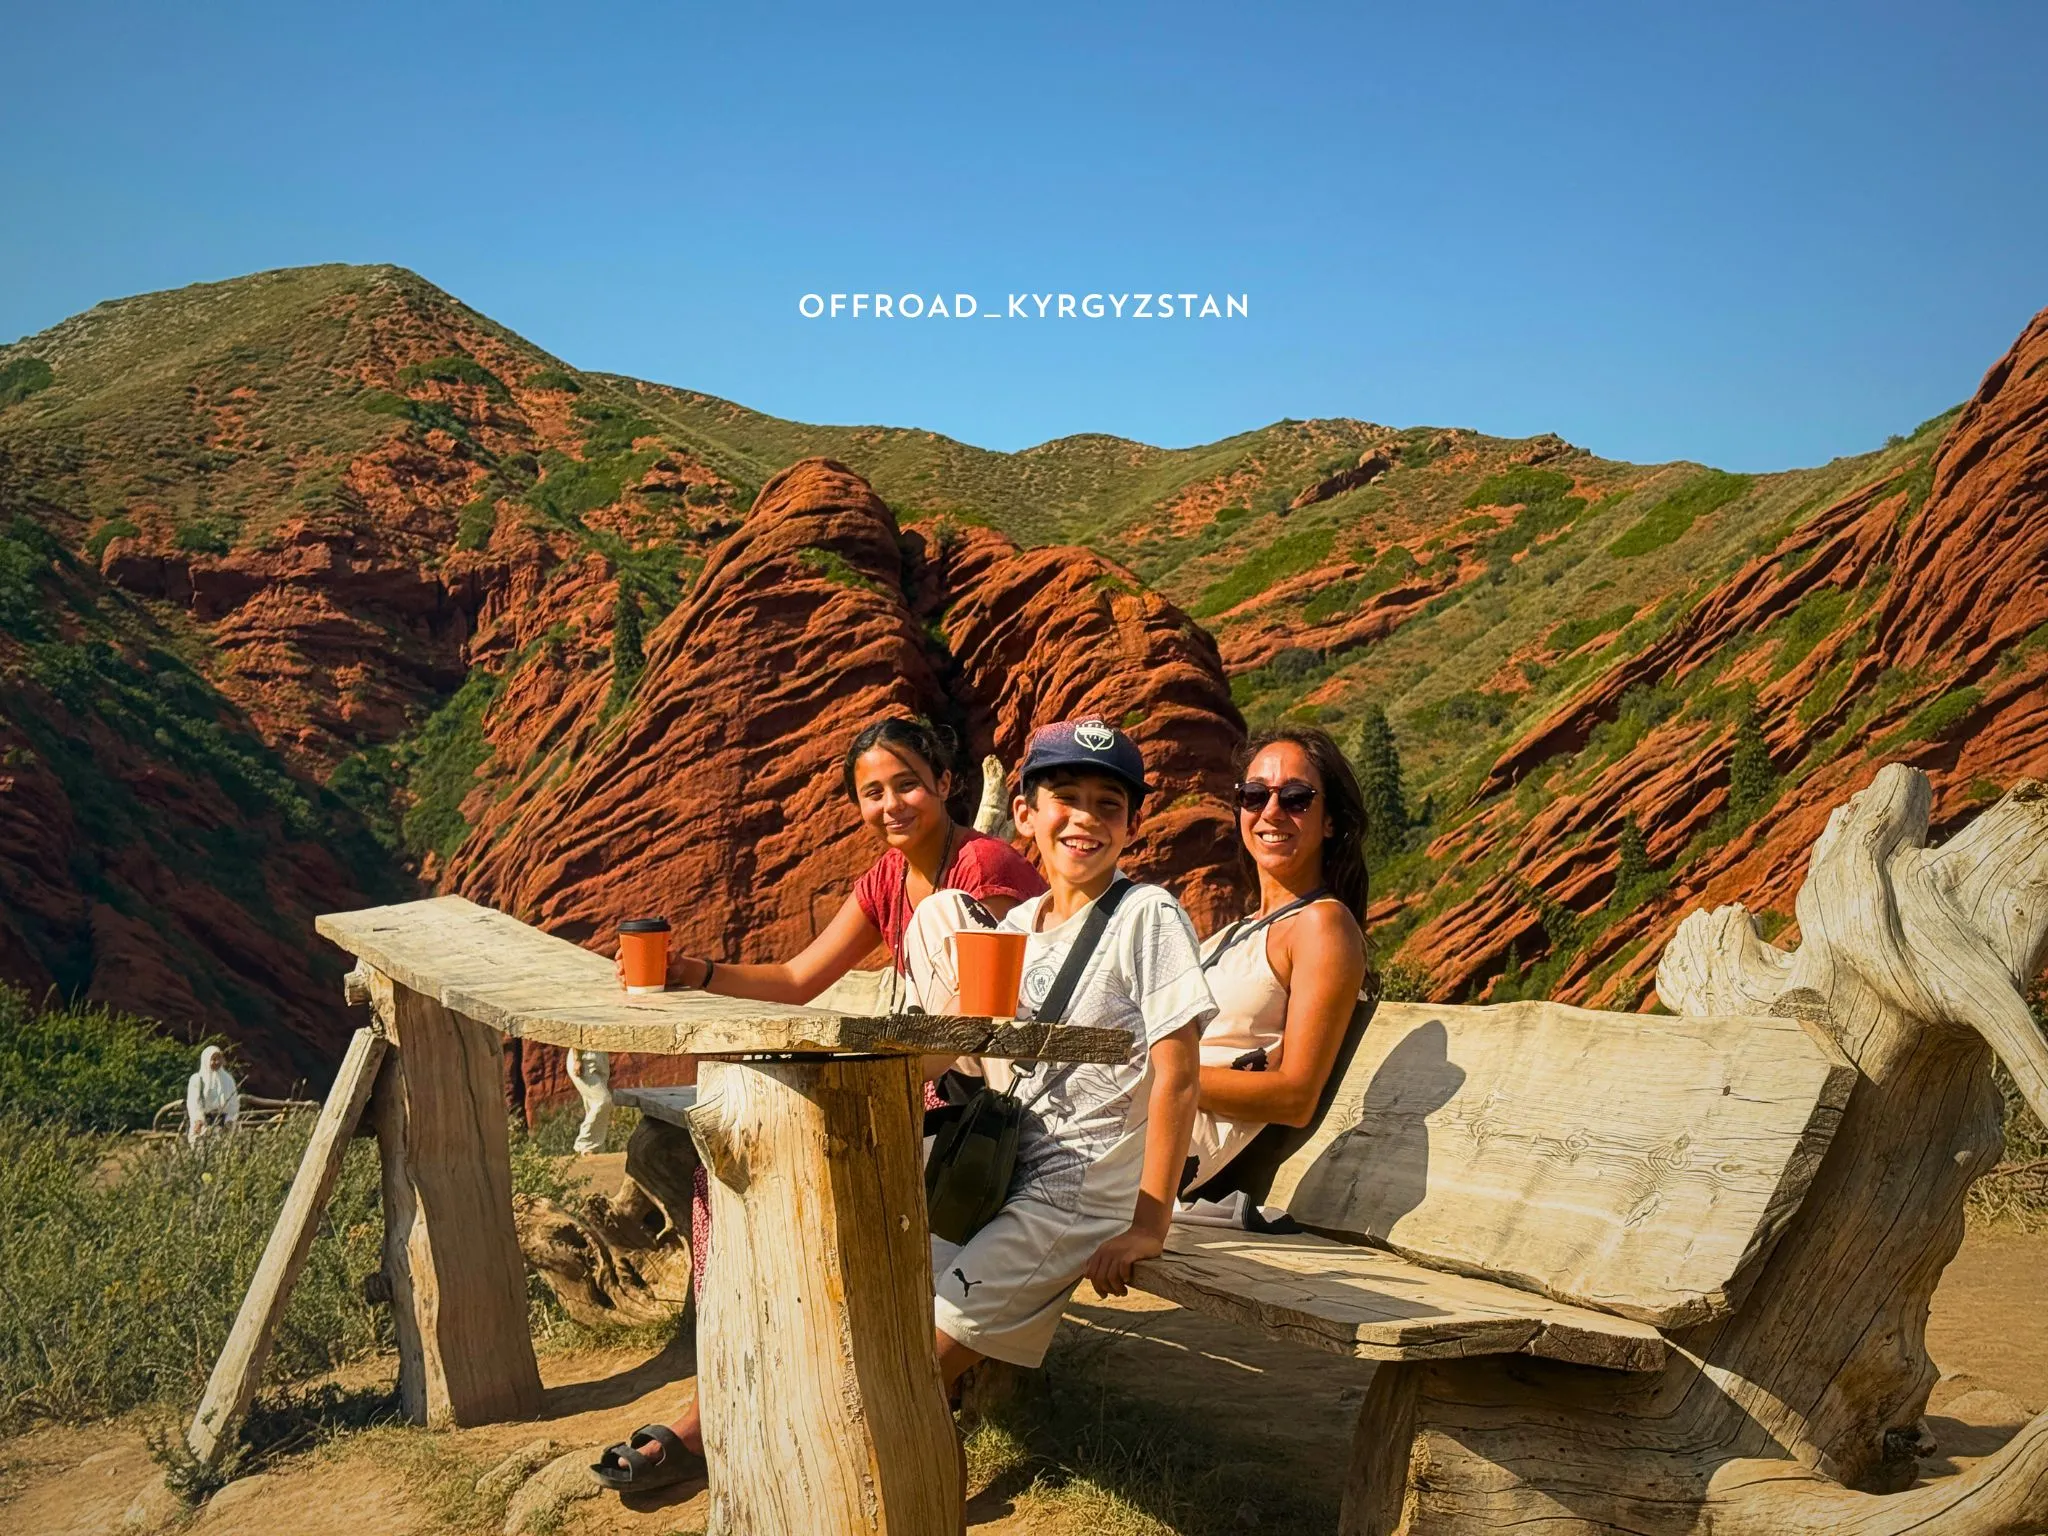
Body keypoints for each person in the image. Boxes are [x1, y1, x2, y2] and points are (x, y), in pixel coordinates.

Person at [593, 715, 1045, 1494]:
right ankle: (729, 1395)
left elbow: (996, 1023)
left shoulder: (984, 866)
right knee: (725, 1170)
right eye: (872, 792)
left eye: (906, 782)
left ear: (944, 781)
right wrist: (691, 969)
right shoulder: (888, 879)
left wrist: (883, 1075)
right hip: (929, 1085)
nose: (891, 803)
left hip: (994, 1110)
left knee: (782, 1177)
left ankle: (745, 1412)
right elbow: (800, 978)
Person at [914, 719, 1210, 1399]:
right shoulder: (1018, 927)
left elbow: (1179, 1072)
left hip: (1075, 1195)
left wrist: (1148, 1225)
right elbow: (968, 1038)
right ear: (1025, 814)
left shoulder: (1147, 914)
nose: (1086, 819)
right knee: (898, 1327)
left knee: (918, 1364)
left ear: (1133, 824)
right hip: (1000, 1171)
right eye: (1065, 798)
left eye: (1109, 805)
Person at [1176, 726, 1371, 1226]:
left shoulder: (1322, 926)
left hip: (1169, 1155)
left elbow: (1294, 1096)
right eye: (1254, 795)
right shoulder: (1231, 934)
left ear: (1330, 821)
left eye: (1297, 798)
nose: (1271, 811)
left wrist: (1162, 1078)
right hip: (1138, 1129)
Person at [185, 1045, 240, 1146]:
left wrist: (230, 1119)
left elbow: (233, 1102)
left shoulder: (228, 1079)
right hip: (203, 1125)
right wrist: (198, 1119)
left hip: (223, 1126)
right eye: (213, 1059)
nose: (217, 1062)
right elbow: (193, 1103)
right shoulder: (197, 1079)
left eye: (219, 1059)